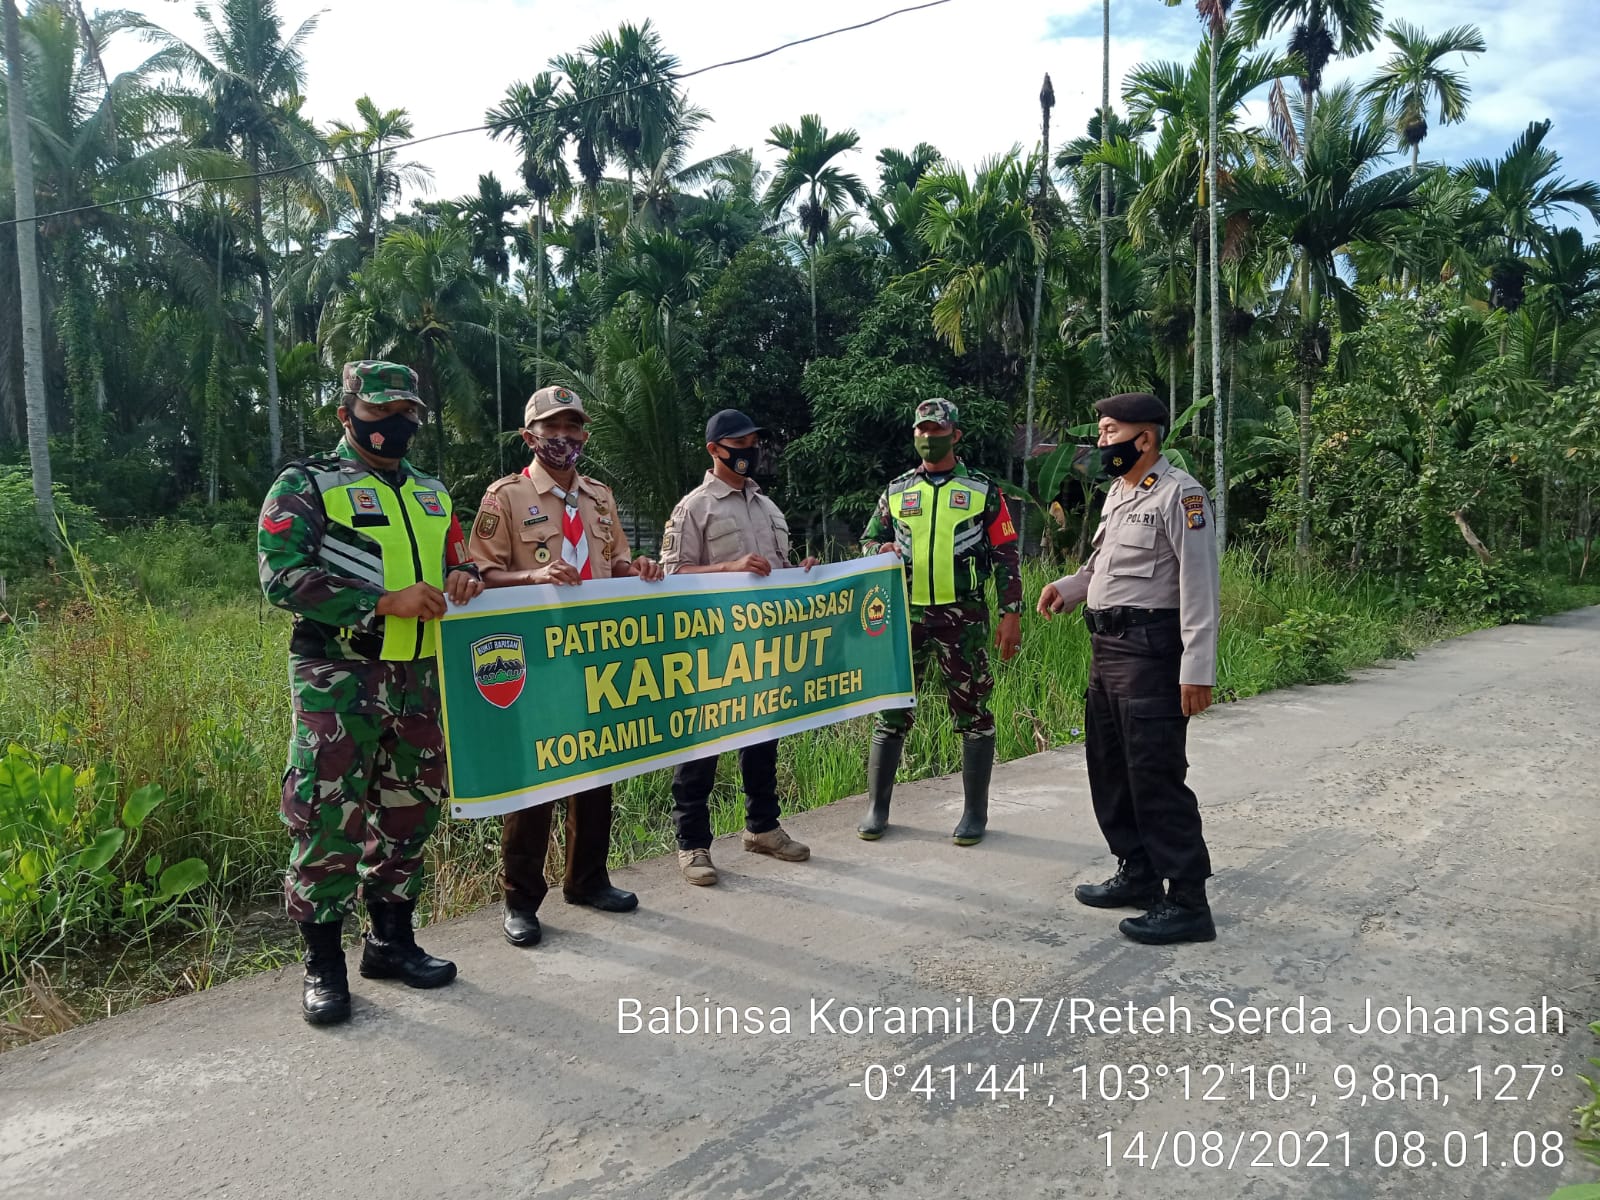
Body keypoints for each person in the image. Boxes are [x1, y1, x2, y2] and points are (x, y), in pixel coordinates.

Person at [258, 360, 484, 1025]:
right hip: (340, 676)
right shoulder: (307, 485)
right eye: (380, 412)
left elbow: (454, 557)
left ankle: (391, 942)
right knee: (327, 818)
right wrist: (384, 601)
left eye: (406, 413)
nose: (394, 425)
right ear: (347, 413)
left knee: (409, 811)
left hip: (418, 678)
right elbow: (282, 577)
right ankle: (324, 964)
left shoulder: (432, 492)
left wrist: (465, 574)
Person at [468, 385, 664, 948]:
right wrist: (532, 576)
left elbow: (615, 560)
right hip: (537, 659)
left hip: (596, 656)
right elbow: (480, 575)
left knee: (596, 772)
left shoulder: (600, 497)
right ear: (530, 436)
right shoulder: (505, 498)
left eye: (573, 428)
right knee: (536, 782)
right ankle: (521, 901)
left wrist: (639, 568)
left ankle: (588, 879)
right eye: (552, 429)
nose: (564, 438)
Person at [1036, 391, 1220, 945]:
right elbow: (1102, 565)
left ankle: (1188, 900)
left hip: (1151, 651)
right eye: (1100, 430)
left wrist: (1198, 667)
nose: (1100, 441)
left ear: (1145, 438)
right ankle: (1137, 873)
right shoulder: (1119, 493)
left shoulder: (1181, 496)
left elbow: (1199, 585)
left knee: (1155, 774)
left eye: (1110, 430)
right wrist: (1069, 588)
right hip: (1107, 650)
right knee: (1110, 768)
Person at [659, 408, 820, 886]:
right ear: (715, 450)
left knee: (762, 737)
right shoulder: (695, 507)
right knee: (702, 745)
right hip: (710, 646)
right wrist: (727, 570)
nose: (749, 451)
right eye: (739, 443)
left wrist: (805, 573)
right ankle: (692, 845)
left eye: (753, 442)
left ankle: (762, 828)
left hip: (763, 645)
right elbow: (672, 573)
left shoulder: (767, 507)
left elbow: (778, 569)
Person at [855, 398, 1023, 846]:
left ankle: (974, 814)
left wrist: (1012, 613)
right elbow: (869, 540)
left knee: (973, 713)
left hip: (963, 620)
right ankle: (877, 807)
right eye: (921, 430)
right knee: (891, 710)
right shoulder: (896, 491)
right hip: (905, 620)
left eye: (937, 429)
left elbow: (1007, 554)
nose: (929, 438)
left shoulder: (983, 491)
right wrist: (879, 550)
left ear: (956, 435)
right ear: (914, 435)